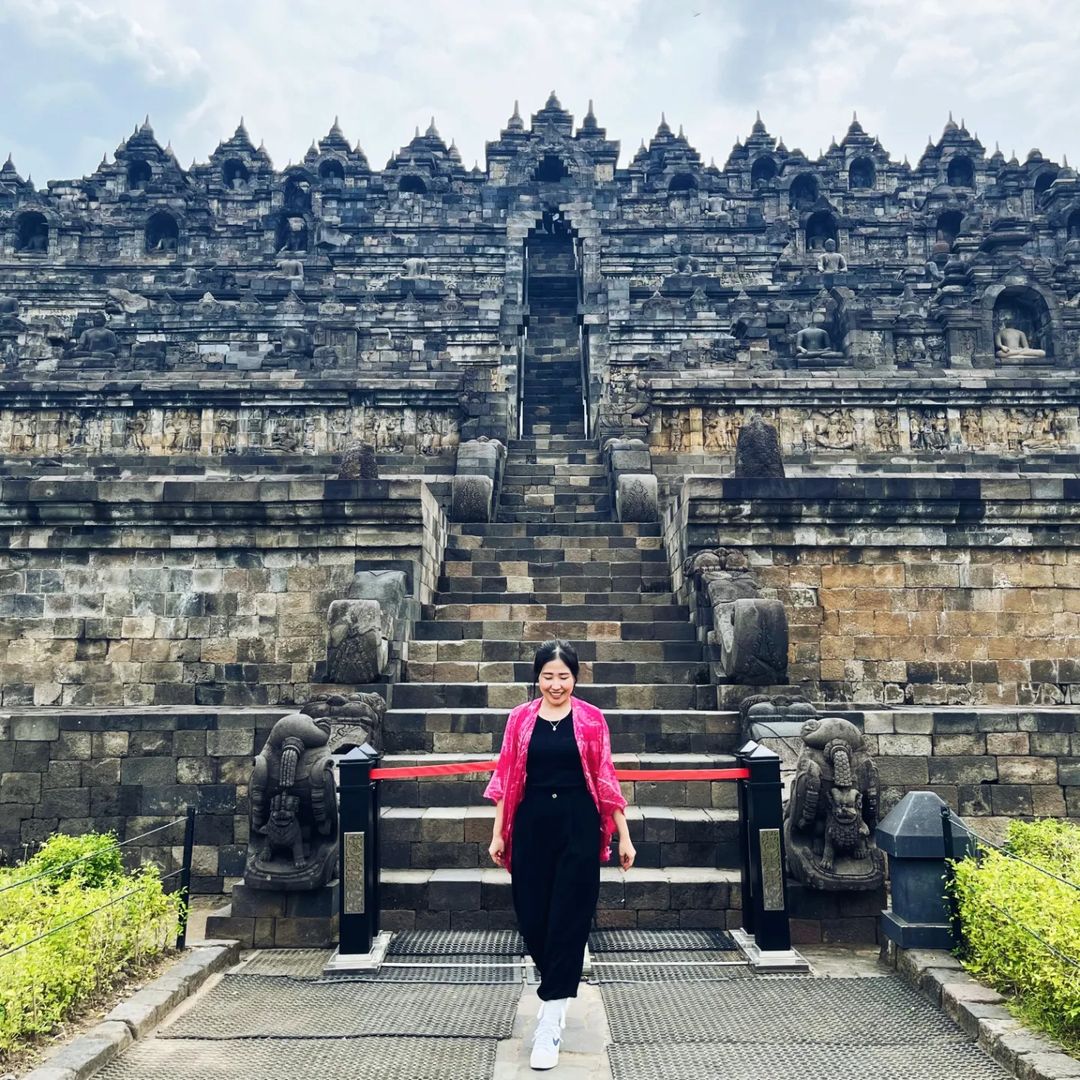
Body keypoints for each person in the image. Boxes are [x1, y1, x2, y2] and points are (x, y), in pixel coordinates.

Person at [485, 639, 635, 1071]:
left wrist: (623, 836)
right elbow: (506, 775)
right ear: (537, 678)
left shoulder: (591, 720)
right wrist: (498, 834)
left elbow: (606, 777)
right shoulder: (520, 719)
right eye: (548, 676)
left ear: (575, 677)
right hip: (531, 822)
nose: (556, 684)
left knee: (569, 917)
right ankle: (558, 988)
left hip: (579, 824)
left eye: (564, 676)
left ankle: (550, 1021)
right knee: (532, 916)